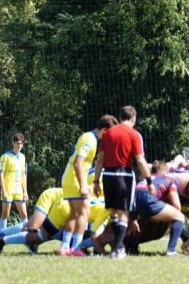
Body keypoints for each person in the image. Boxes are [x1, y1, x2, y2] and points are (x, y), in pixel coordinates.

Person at [93, 105, 153, 259]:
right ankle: (117, 250)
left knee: (113, 212)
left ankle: (118, 247)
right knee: (124, 213)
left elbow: (100, 159)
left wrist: (95, 180)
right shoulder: (134, 134)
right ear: (133, 119)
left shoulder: (107, 134)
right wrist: (149, 180)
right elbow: (139, 159)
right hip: (124, 175)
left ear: (120, 118)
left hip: (107, 175)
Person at [59, 115, 117, 256]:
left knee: (74, 214)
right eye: (109, 133)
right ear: (104, 129)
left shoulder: (87, 137)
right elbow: (78, 162)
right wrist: (83, 185)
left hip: (68, 179)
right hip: (75, 180)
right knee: (84, 213)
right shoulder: (90, 139)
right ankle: (77, 248)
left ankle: (65, 247)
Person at [0, 133, 28, 231]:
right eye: (18, 143)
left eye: (21, 144)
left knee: (24, 213)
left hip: (19, 189)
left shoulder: (23, 157)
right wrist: (4, 190)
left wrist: (25, 191)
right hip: (8, 189)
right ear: (13, 143)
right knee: (6, 212)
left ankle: (26, 234)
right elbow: (0, 174)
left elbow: (24, 174)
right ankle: (2, 233)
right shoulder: (5, 157)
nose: (20, 146)